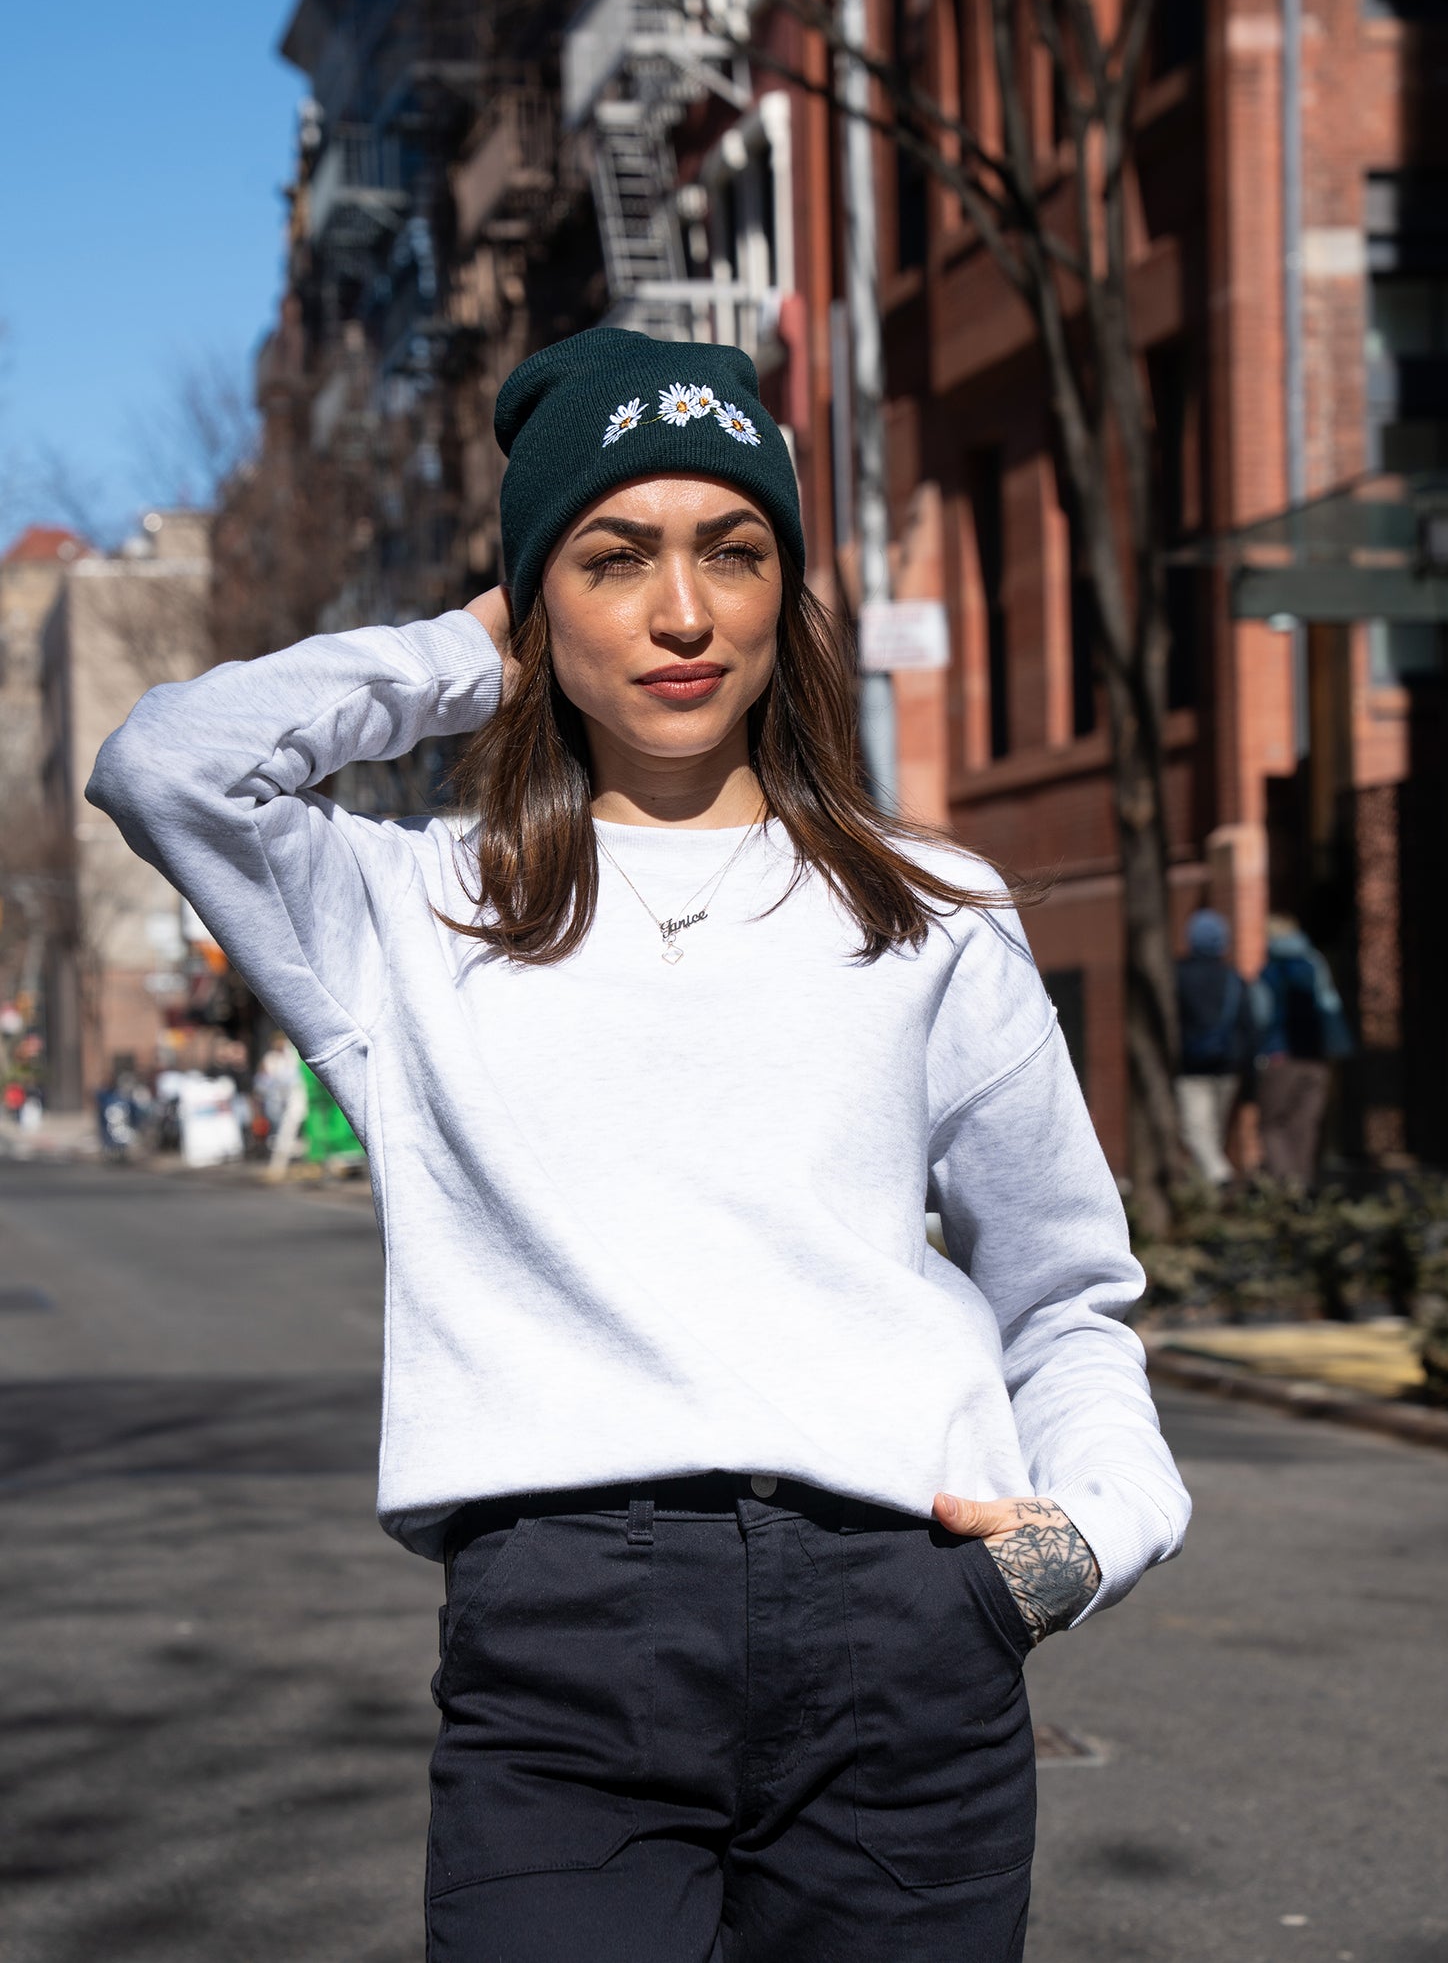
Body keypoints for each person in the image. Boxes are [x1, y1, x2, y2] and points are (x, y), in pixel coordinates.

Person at [88, 326, 1190, 1962]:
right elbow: (167, 761)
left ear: (782, 591)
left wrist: (1087, 1536)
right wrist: (476, 638)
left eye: (734, 550)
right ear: (544, 601)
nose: (685, 611)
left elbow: (1066, 1287)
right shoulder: (412, 905)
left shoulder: (931, 908)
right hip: (564, 1638)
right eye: (617, 556)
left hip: (903, 1621)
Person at [1251, 913, 1354, 1185]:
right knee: (1305, 1124)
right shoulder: (1315, 964)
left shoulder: (1268, 973)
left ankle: (1286, 1184)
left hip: (1279, 1058)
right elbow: (1330, 1006)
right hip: (1315, 1058)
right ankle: (1303, 1183)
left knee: (1273, 1124)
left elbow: (1260, 1017)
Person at [1175, 908, 1254, 1185]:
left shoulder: (1179, 975)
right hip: (1228, 1067)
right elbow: (1247, 1025)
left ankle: (1221, 1178)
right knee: (1213, 1134)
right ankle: (1210, 1195)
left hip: (1191, 1067)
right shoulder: (1234, 979)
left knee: (1195, 1132)